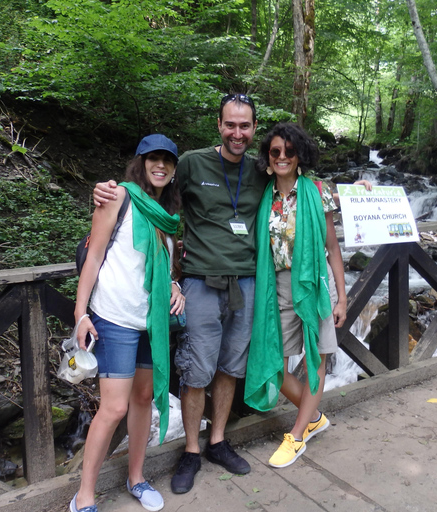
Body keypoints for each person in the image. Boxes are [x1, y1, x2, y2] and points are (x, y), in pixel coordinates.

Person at [93, 94, 267, 494]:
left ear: (254, 128)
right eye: (230, 125)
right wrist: (109, 192)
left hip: (246, 283)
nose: (237, 133)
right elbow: (155, 195)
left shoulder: (261, 170)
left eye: (245, 126)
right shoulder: (191, 162)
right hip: (201, 283)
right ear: (219, 126)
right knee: (195, 370)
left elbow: (297, 185)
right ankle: (190, 449)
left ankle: (218, 441)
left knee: (229, 368)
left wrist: (352, 189)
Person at [71, 134, 185, 512]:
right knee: (113, 408)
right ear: (140, 161)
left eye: (168, 161)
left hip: (150, 323)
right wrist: (80, 314)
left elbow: (160, 266)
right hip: (115, 318)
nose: (161, 166)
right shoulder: (117, 197)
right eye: (154, 158)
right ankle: (84, 494)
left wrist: (173, 284)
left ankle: (136, 477)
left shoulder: (166, 214)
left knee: (142, 400)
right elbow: (94, 256)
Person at [244, 123, 346, 468]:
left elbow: (332, 247)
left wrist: (342, 298)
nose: (283, 157)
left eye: (289, 151)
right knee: (270, 362)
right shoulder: (264, 194)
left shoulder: (318, 191)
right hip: (274, 286)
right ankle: (314, 415)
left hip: (313, 282)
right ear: (268, 158)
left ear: (300, 154)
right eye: (276, 152)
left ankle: (298, 435)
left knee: (316, 356)